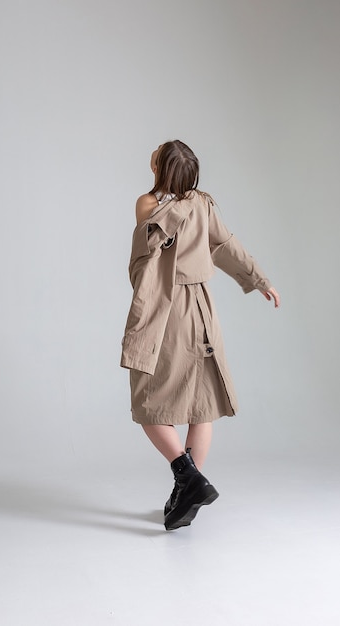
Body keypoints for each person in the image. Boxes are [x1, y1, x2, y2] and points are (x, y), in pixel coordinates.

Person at [120, 140, 280, 531]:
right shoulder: (203, 204)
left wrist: (258, 279)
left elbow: (155, 245)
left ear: (162, 167)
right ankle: (186, 490)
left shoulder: (148, 202)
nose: (151, 153)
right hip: (203, 309)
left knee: (148, 399)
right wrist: (258, 278)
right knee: (200, 403)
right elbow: (224, 245)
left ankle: (186, 478)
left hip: (168, 309)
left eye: (157, 153)